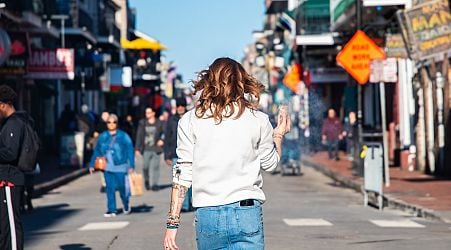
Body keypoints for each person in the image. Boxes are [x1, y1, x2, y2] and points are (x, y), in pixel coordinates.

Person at [163, 58, 291, 250]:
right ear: (241, 82)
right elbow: (270, 164)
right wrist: (278, 134)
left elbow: (182, 174)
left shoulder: (190, 120)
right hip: (246, 212)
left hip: (208, 214)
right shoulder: (258, 119)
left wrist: (172, 225)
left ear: (209, 81)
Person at [0, 85, 33, 250]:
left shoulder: (14, 123)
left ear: (3, 105)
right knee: (4, 226)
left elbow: (10, 153)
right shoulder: (7, 124)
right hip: (5, 180)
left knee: (12, 226)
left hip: (9, 180)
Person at [89, 114, 135, 217]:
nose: (111, 124)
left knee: (122, 187)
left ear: (117, 123)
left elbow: (129, 150)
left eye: (114, 122)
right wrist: (92, 164)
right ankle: (111, 209)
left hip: (121, 165)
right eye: (109, 122)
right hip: (107, 166)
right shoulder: (103, 136)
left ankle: (125, 203)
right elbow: (97, 151)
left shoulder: (123, 136)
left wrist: (131, 165)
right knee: (110, 188)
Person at [163, 97, 192, 211]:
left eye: (182, 106)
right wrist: (166, 155)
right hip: (176, 155)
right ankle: (184, 206)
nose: (180, 108)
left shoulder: (191, 118)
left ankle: (189, 202)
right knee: (179, 180)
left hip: (190, 154)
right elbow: (167, 137)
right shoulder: (171, 120)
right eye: (178, 106)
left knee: (191, 181)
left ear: (185, 106)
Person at [135, 106, 164, 191]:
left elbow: (164, 133)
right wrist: (137, 148)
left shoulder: (159, 123)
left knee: (155, 167)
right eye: (146, 112)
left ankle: (155, 184)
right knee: (145, 166)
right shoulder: (143, 122)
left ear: (153, 113)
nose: (146, 114)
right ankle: (147, 181)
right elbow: (139, 135)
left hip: (156, 148)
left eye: (148, 112)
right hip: (146, 148)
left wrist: (162, 140)